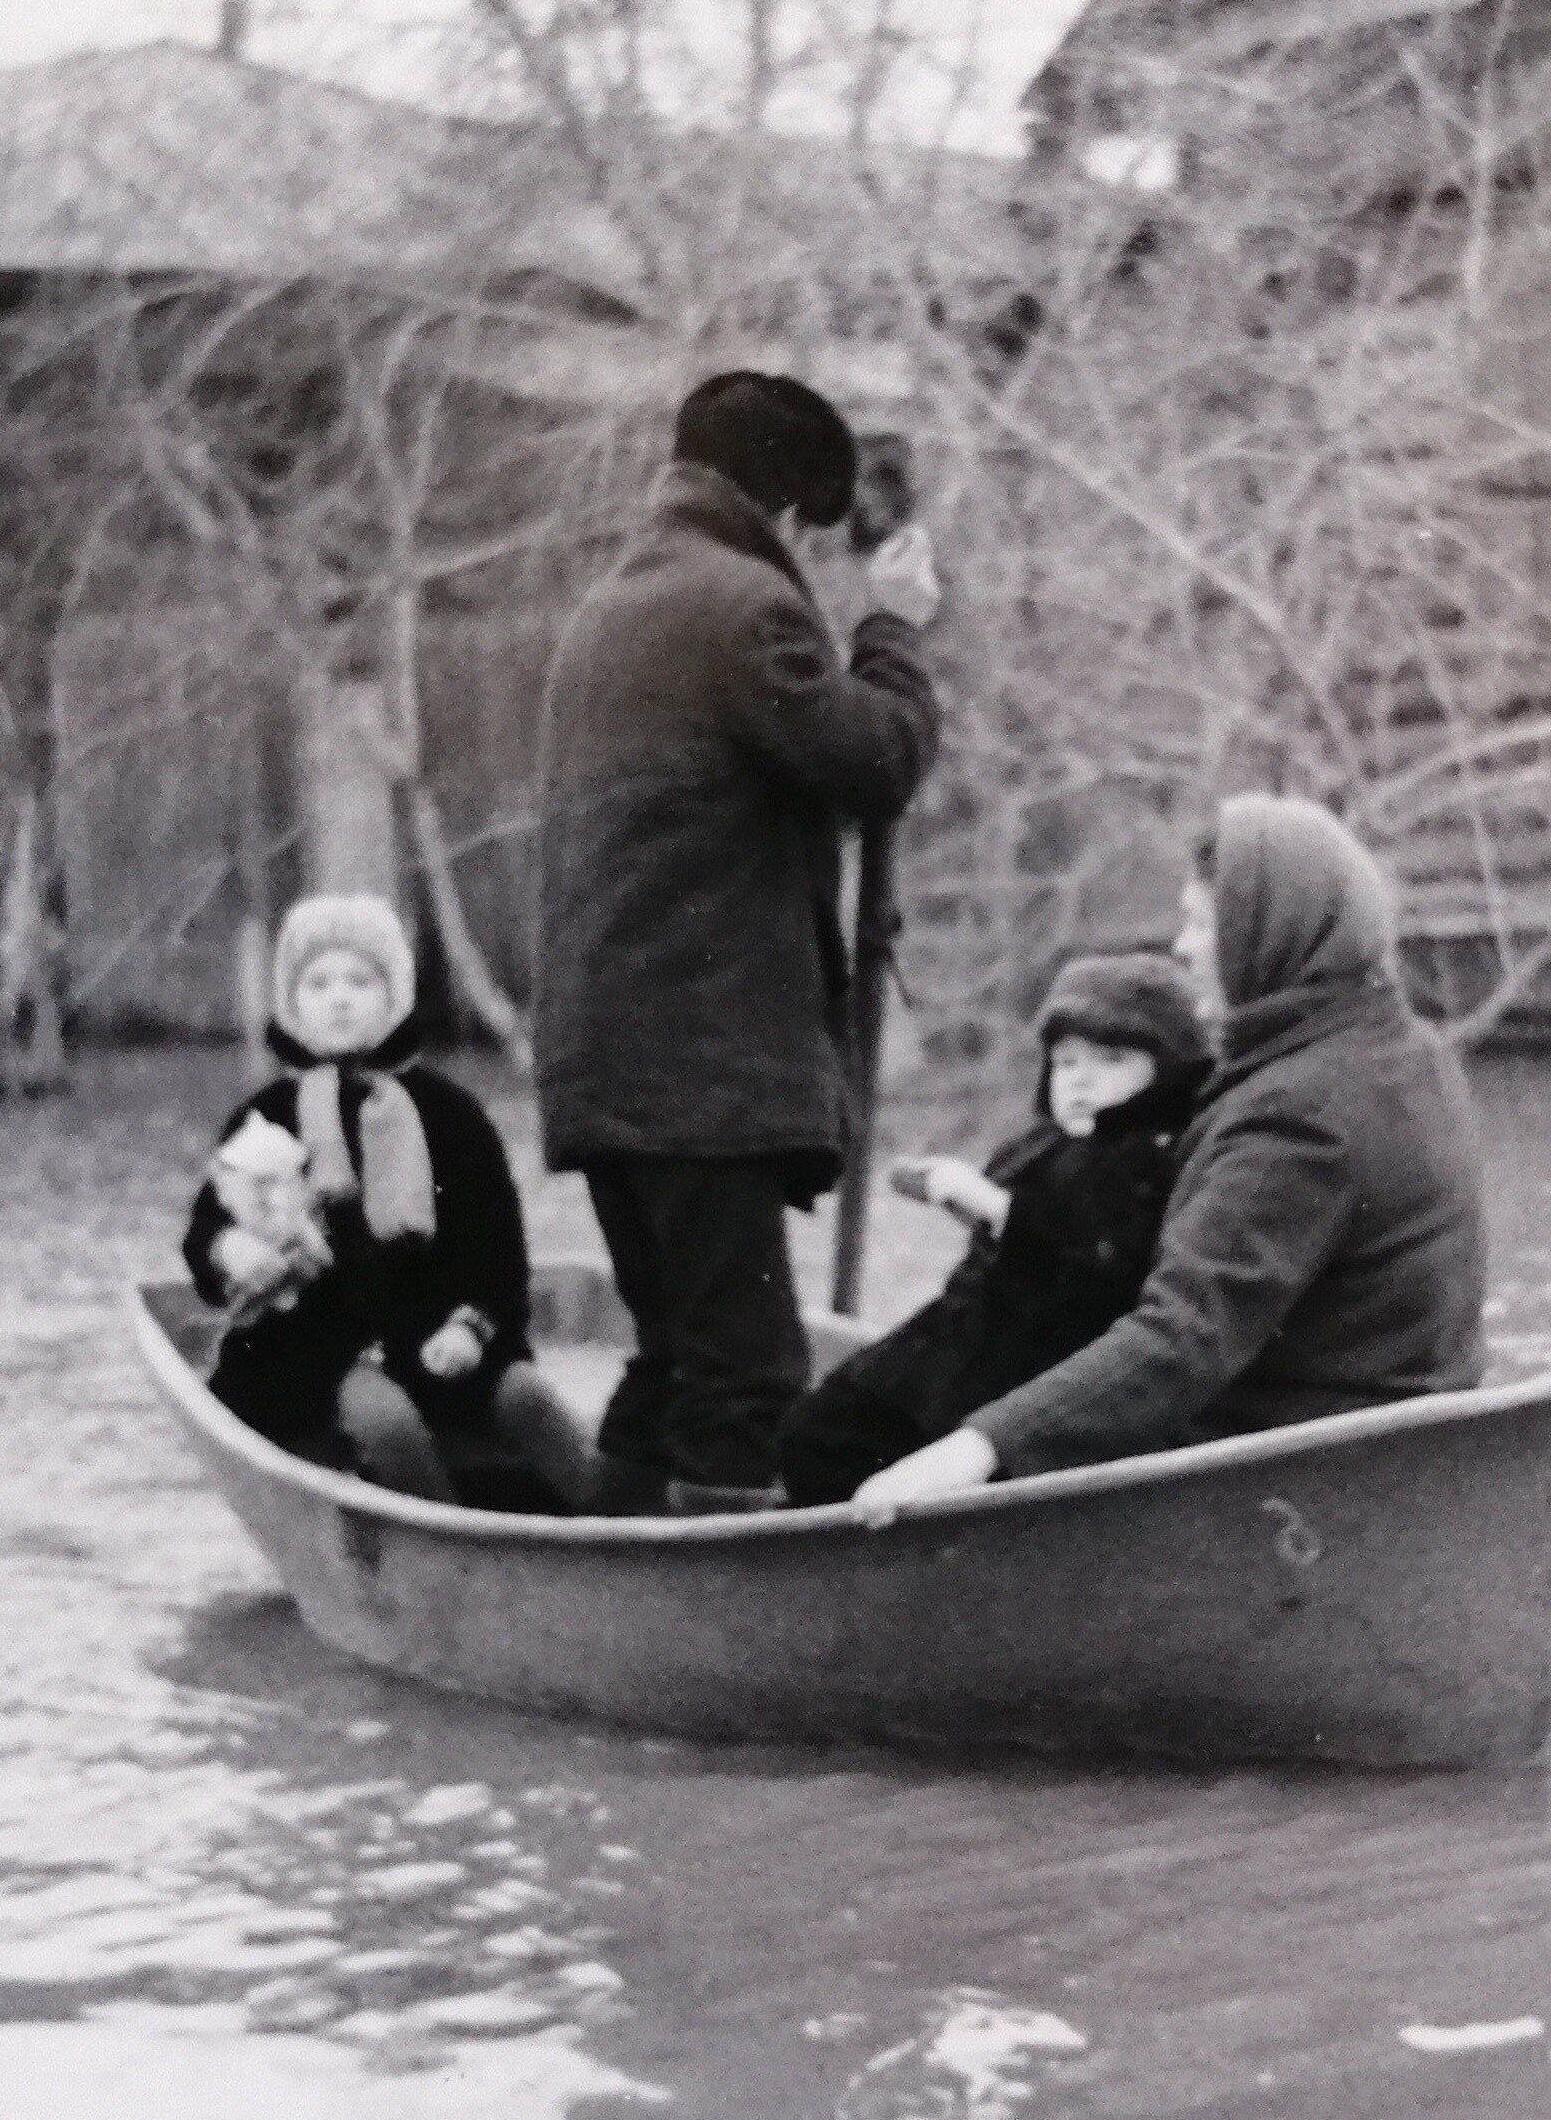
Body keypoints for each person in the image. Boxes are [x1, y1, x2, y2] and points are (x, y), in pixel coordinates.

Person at [532, 370, 943, 1511]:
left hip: (606, 1068)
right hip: (699, 1078)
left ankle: (606, 1585)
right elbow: (878, 759)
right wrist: (894, 631)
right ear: (788, 514)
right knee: (747, 1373)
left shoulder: (610, 606)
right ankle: (696, 1637)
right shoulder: (743, 610)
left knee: (675, 1356)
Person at [852, 795, 1488, 1514]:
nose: (1182, 948)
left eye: (1200, 923)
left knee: (926, 1427)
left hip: (1287, 1470)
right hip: (1398, 1450)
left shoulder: (1299, 1115)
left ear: (1264, 938)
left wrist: (976, 1448)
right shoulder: (1408, 1054)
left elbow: (1183, 1335)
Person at [187, 894, 595, 1513]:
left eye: (362, 980)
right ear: (292, 1004)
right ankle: (456, 1557)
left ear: (395, 996)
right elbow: (207, 1228)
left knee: (529, 1400)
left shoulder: (451, 1115)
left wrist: (471, 1326)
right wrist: (232, 1247)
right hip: (313, 1349)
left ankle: (626, 1538)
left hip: (436, 1332)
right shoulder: (267, 1116)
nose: (340, 997)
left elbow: (499, 1250)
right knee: (388, 1428)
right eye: (318, 983)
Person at [769, 952, 1215, 1509]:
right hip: (961, 1342)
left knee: (846, 1445)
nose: (1082, 1079)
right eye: (1066, 1061)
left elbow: (1098, 1265)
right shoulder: (1051, 1144)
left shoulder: (1136, 1161)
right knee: (819, 1430)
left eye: (1112, 1059)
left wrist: (1000, 1211)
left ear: (1166, 1071)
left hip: (1015, 1364)